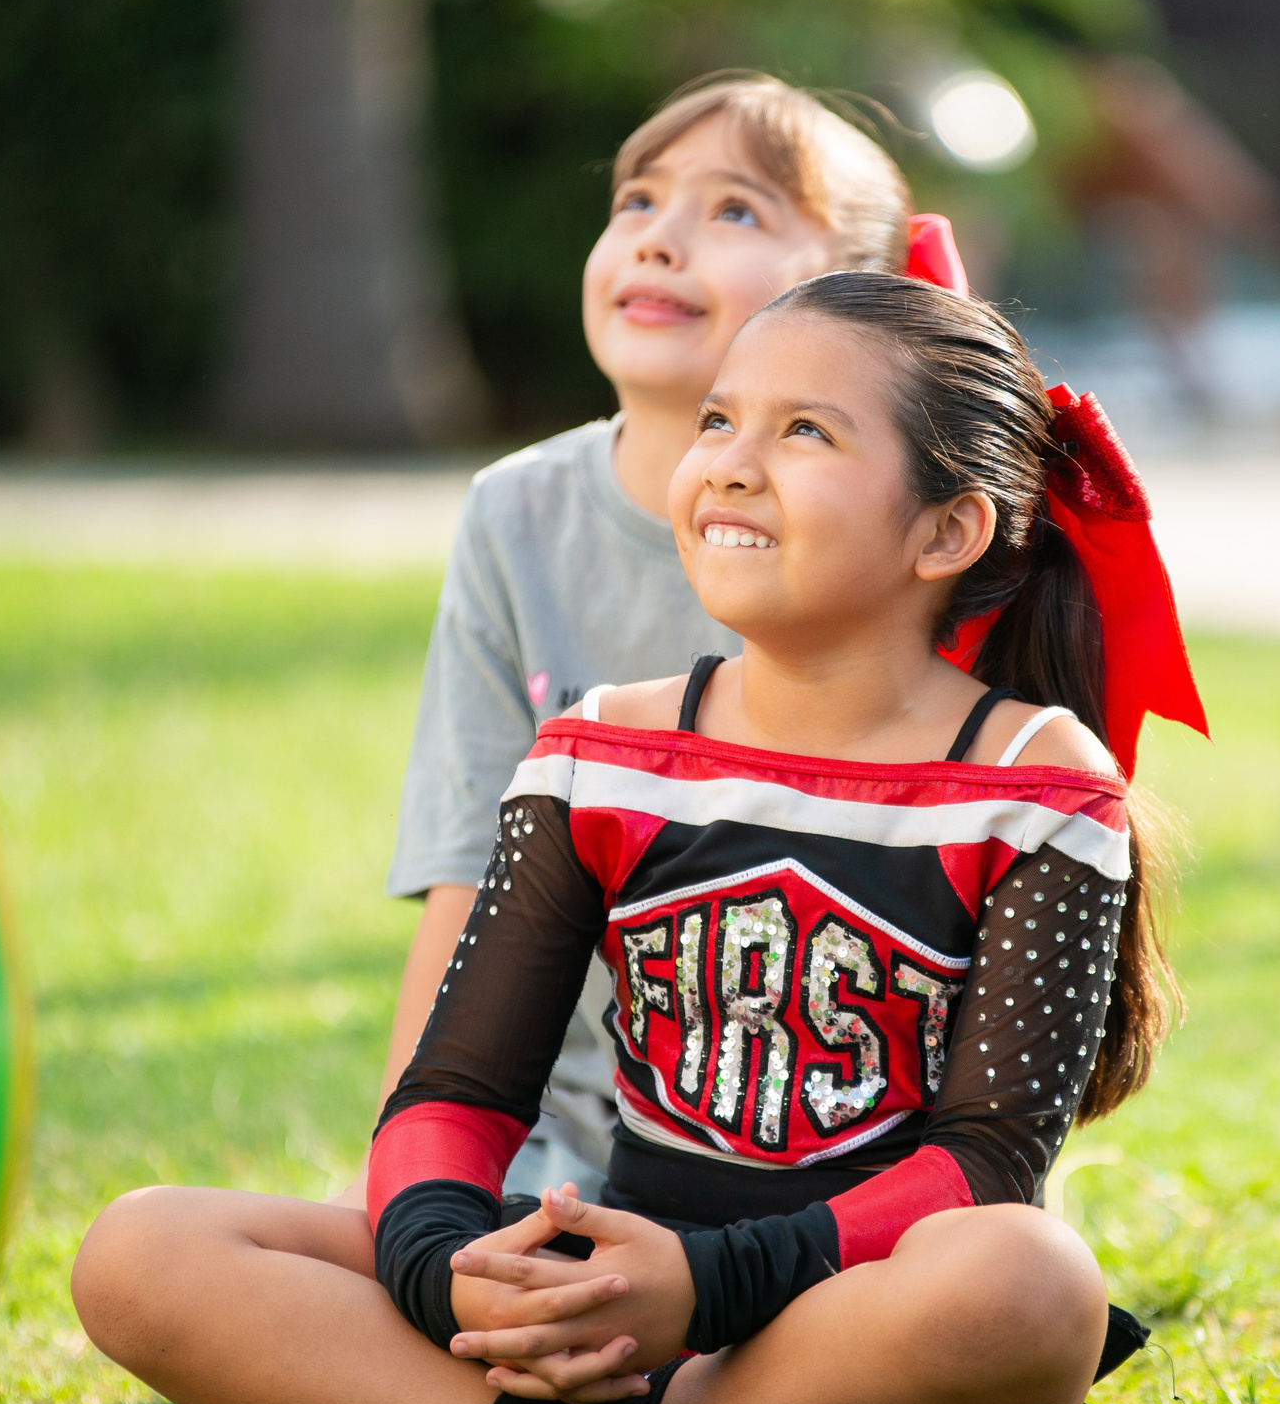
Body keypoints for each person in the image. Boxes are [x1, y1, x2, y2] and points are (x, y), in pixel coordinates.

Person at [71, 271, 1208, 1404]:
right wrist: (447, 1270)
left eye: (806, 432)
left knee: (1032, 1279)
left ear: (944, 532)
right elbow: (455, 1092)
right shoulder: (599, 748)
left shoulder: (1032, 782)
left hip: (842, 1310)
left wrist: (702, 1288)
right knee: (140, 1248)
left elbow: (987, 1159)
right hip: (611, 1270)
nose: (729, 463)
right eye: (720, 421)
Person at [360, 72, 944, 1206]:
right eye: (636, 200)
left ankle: (685, 1364)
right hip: (556, 1157)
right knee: (151, 1257)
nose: (660, 240)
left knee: (998, 1301)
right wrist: (407, 1195)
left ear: (857, 292)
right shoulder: (518, 512)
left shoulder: (902, 534)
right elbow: (465, 879)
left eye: (734, 210)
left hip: (838, 1175)